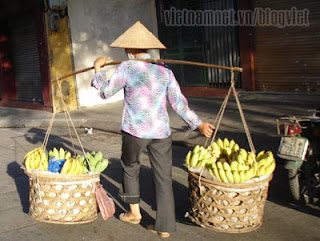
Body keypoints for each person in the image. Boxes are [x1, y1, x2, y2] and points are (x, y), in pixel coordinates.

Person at [91, 21, 214, 238]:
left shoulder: (127, 68)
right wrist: (199, 123)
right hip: (160, 132)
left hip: (134, 131)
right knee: (163, 177)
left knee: (130, 168)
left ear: (129, 50)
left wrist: (98, 69)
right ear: (147, 49)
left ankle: (134, 213)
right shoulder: (164, 69)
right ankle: (164, 227)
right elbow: (178, 103)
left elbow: (105, 93)